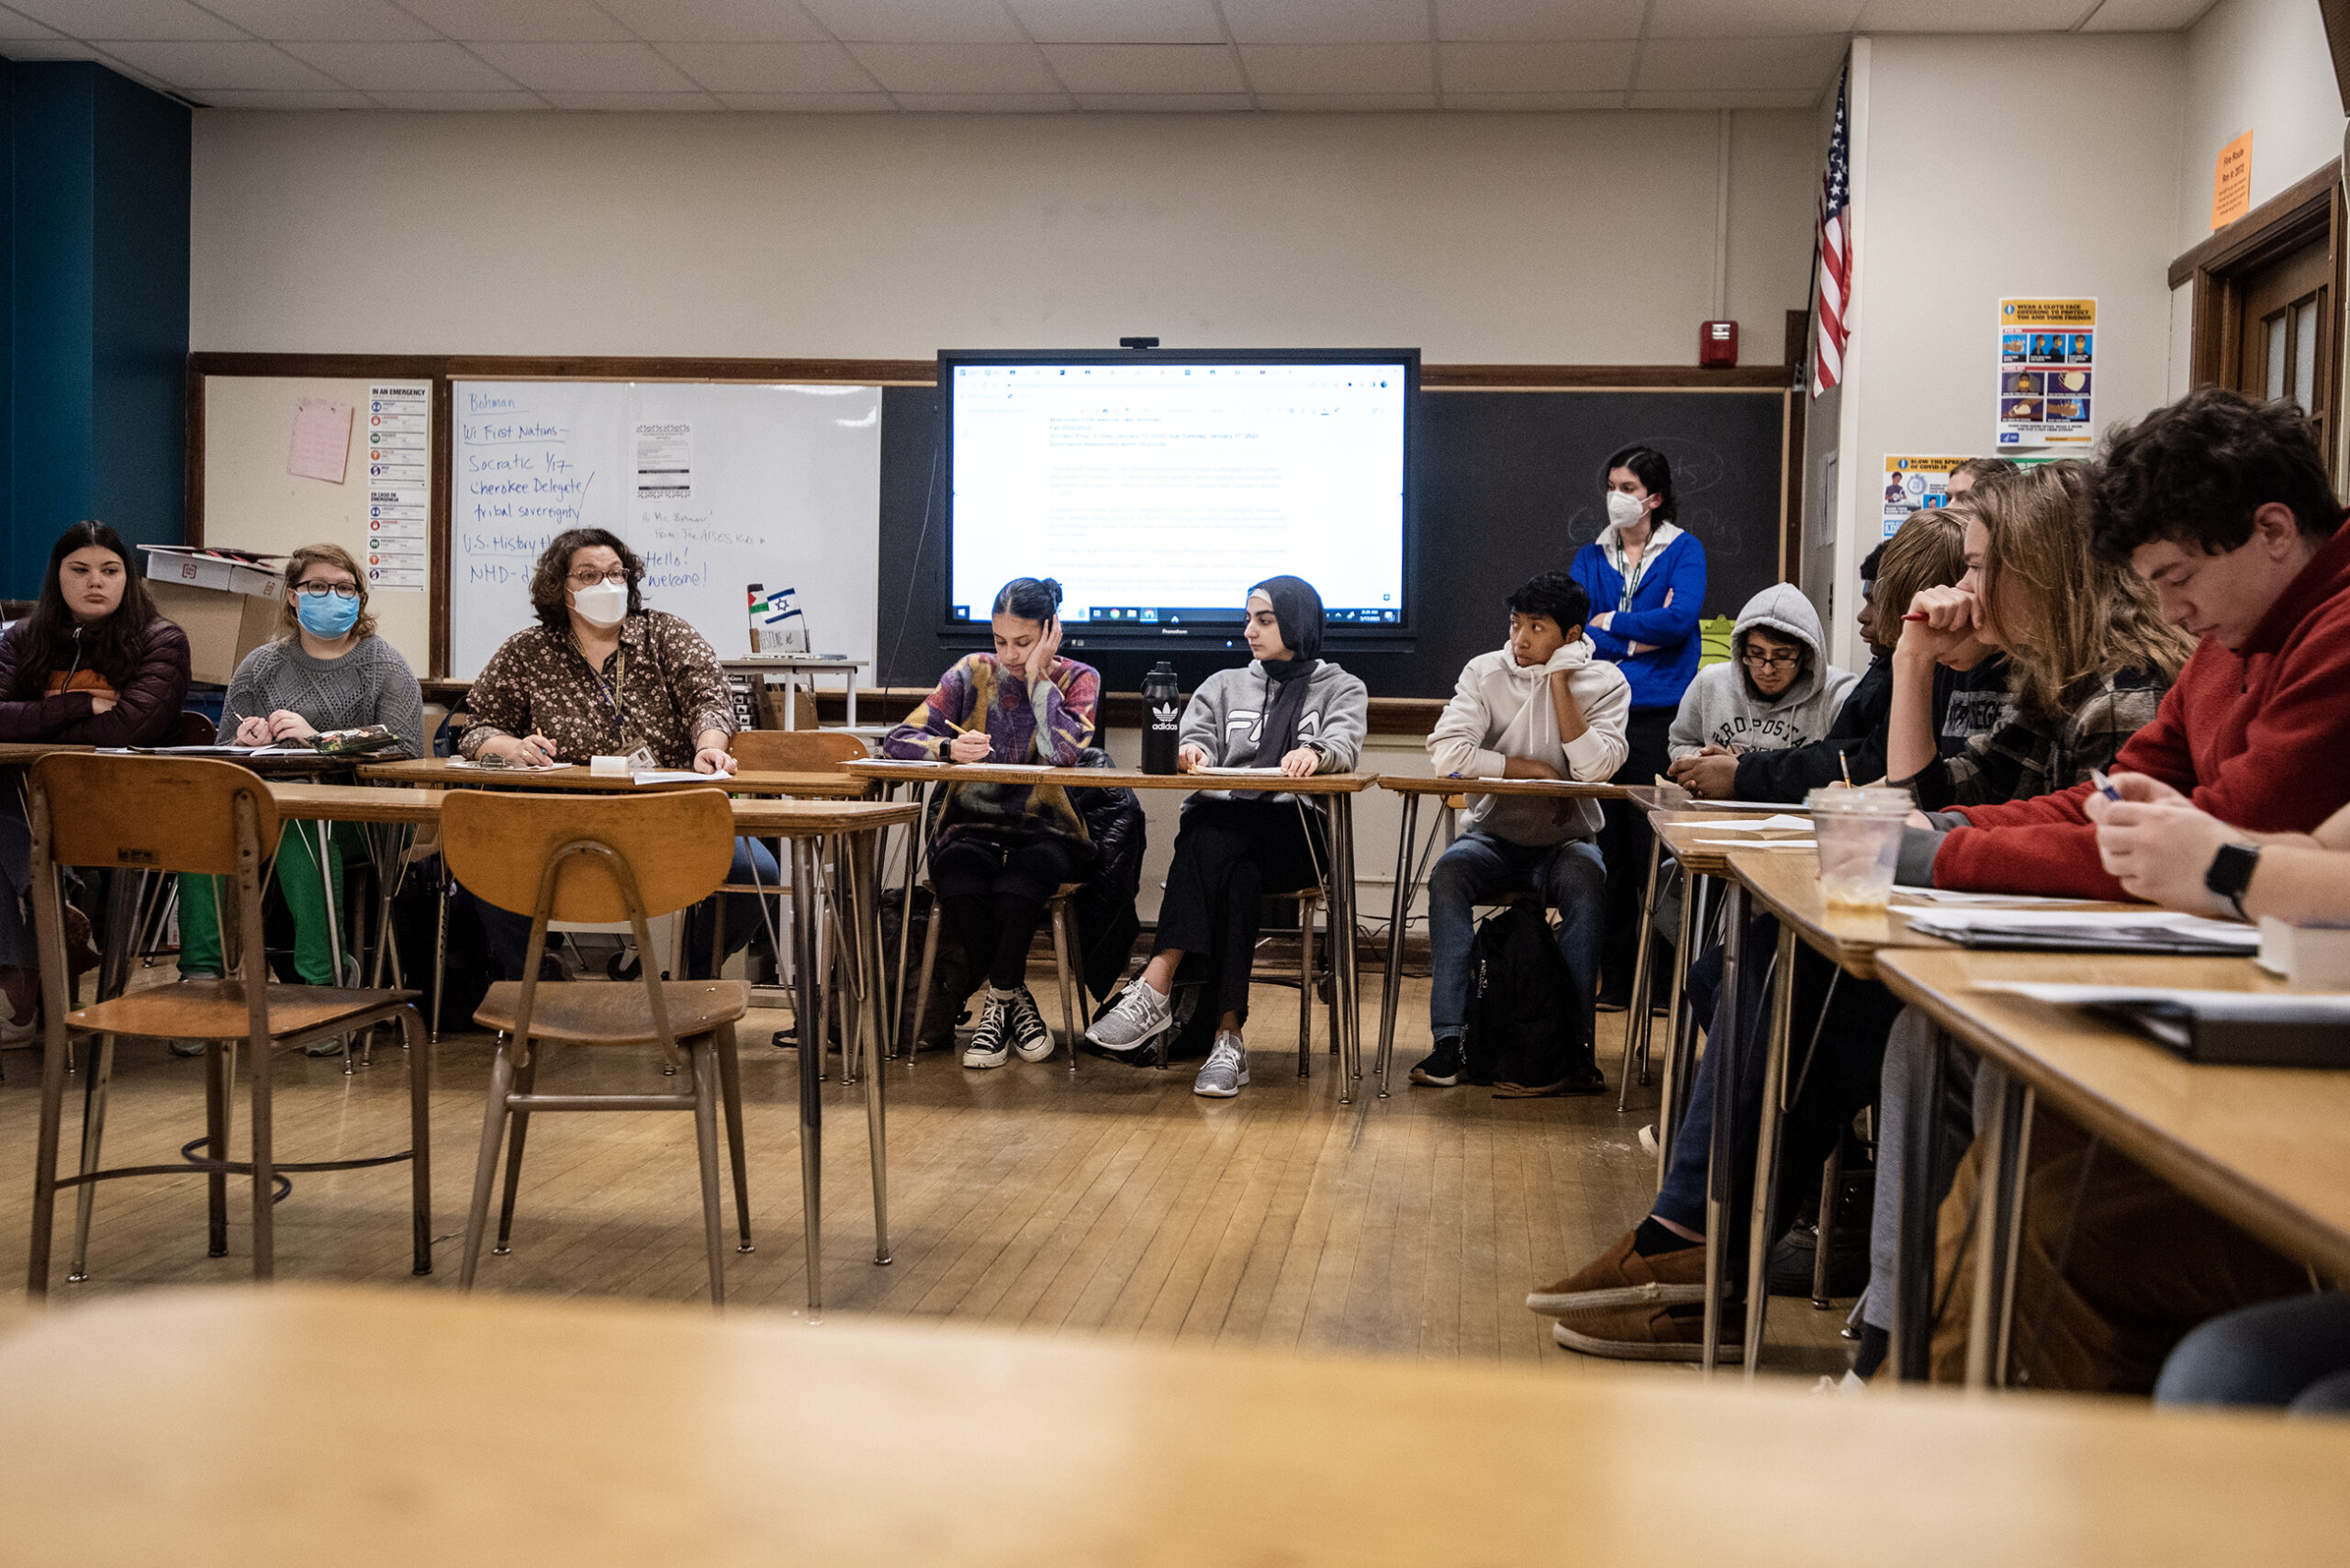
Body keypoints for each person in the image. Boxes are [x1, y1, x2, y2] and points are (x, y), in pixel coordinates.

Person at [1539, 465, 2184, 1363]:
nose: (1964, 590)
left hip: (2078, 975)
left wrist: (1938, 843)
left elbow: (2076, 853)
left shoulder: (2124, 691)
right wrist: (1912, 656)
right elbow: (1919, 795)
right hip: (2004, 945)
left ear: (2041, 571)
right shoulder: (2058, 690)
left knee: (1821, 986)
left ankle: (1714, 1253)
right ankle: (1706, 1247)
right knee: (1780, 953)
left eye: (1979, 567)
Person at [1896, 388, 2350, 1392]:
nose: (2171, 612)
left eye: (2178, 578)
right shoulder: (2232, 645)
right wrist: (1943, 833)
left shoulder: (2330, 636)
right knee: (2010, 1170)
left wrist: (1943, 852)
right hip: (2265, 1009)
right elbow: (2111, 805)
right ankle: (1913, 1399)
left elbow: (2209, 834)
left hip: (2292, 1067)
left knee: (2045, 1210)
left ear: (2273, 531)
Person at [1084, 577, 1367, 1097]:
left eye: (1264, 620)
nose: (1250, 631)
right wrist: (1190, 754)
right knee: (1232, 864)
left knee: (1215, 831)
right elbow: (1193, 737)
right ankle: (1227, 1040)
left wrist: (1318, 754)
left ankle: (1155, 985)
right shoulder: (1222, 684)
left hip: (1295, 836)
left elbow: (1344, 744)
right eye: (1247, 620)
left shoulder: (1341, 686)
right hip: (1230, 836)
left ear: (1297, 623)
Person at [457, 528, 756, 982]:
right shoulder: (528, 650)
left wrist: (708, 748)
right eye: (589, 576)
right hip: (559, 819)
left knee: (754, 874)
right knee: (482, 857)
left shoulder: (666, 635)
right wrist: (511, 747)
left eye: (616, 574)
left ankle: (680, 979)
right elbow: (477, 724)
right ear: (561, 588)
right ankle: (534, 982)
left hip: (664, 814)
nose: (607, 585)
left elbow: (710, 702)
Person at [173, 545, 424, 1050]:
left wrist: (320, 739)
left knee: (297, 825)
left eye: (344, 587)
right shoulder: (260, 666)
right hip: (267, 808)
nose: (331, 596)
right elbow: (221, 751)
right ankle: (202, 981)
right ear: (292, 597)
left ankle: (325, 981)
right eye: (316, 586)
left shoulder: (383, 664)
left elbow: (407, 749)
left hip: (360, 821)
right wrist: (245, 737)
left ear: (359, 597)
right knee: (204, 822)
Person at [1407, 572, 1629, 1090]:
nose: (1520, 640)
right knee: (1448, 876)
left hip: (1565, 844)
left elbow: (1597, 770)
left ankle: (1572, 1049)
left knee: (1587, 881)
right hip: (1493, 840)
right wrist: (1535, 771)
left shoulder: (1607, 683)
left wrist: (1559, 684)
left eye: (1537, 627)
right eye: (1515, 625)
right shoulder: (1485, 673)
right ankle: (1450, 1042)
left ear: (1572, 636)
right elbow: (1448, 756)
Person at [882, 577, 1101, 1070]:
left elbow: (1064, 751)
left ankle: (995, 1003)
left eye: (1024, 643)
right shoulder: (970, 672)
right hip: (972, 826)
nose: (1009, 655)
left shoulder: (1079, 678)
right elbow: (897, 739)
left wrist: (1039, 678)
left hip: (1049, 830)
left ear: (1051, 632)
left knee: (1019, 887)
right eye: (1000, 641)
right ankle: (1013, 999)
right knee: (957, 877)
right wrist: (946, 748)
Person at [0, 521, 187, 1041]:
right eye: (79, 570)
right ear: (57, 578)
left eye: (109, 570)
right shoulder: (21, 638)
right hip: (26, 800)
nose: (95, 582)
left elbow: (131, 726)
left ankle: (24, 986)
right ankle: (51, 902)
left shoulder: (161, 639)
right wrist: (78, 705)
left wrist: (37, 717)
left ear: (128, 578)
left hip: (118, 800)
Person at [1669, 509, 1970, 803]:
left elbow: (1874, 765)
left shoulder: (1929, 668)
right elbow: (1844, 754)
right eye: (1756, 655)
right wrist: (1743, 767)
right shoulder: (1888, 665)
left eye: (1876, 601)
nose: (1862, 616)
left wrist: (1744, 772)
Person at [1570, 445, 1707, 1009]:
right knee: (1608, 851)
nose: (1616, 497)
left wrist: (1613, 628)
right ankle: (1619, 980)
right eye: (1611, 485)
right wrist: (1631, 634)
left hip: (1659, 712)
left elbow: (1679, 621)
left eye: (1627, 487)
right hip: (1603, 712)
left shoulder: (1684, 550)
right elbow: (1578, 625)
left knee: (1652, 847)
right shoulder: (1590, 554)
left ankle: (1661, 983)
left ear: (1653, 496)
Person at [1664, 583, 1854, 770]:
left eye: (1782, 657)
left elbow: (1851, 764)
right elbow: (1680, 743)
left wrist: (1745, 768)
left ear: (1805, 654)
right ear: (1741, 649)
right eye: (1756, 654)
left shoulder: (1837, 693)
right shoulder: (1710, 683)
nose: (1767, 670)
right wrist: (1708, 764)